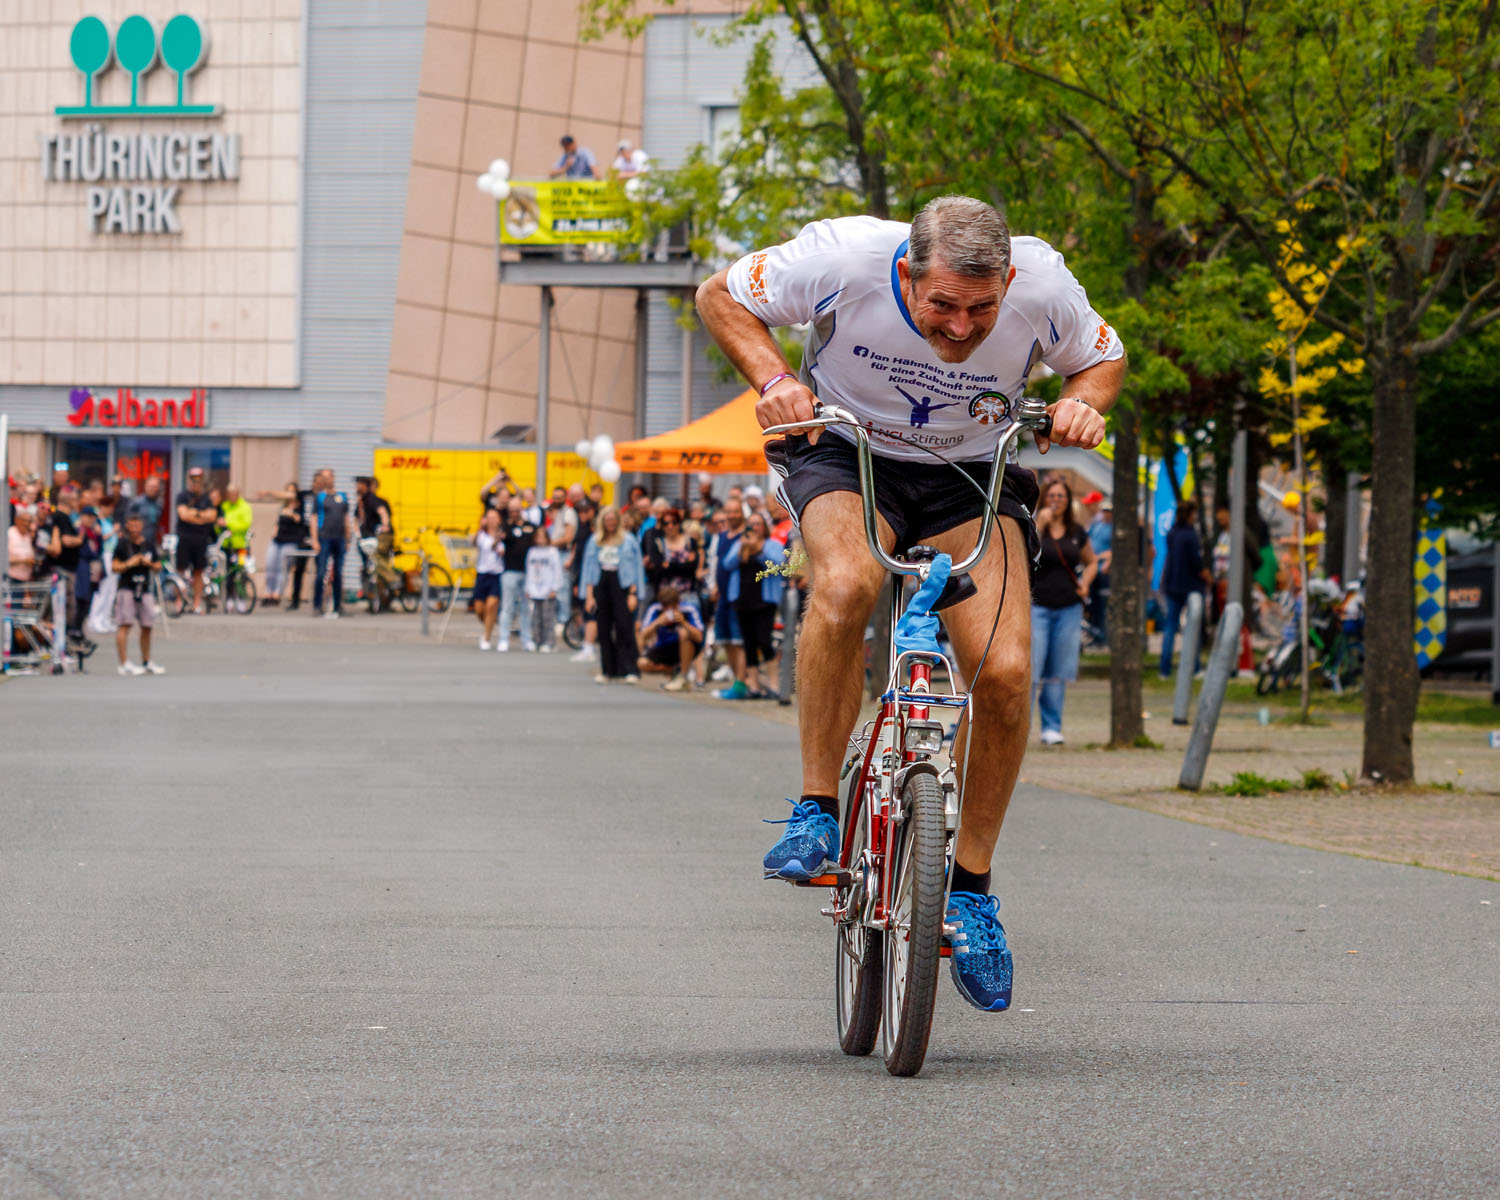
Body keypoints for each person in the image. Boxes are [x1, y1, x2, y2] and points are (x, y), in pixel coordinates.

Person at [697, 193, 1123, 1011]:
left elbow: (1104, 358)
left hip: (971, 474)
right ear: (905, 275)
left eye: (981, 309)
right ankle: (817, 809)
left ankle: (970, 892)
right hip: (846, 452)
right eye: (943, 305)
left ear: (1009, 282)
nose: (962, 328)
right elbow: (720, 294)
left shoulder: (1044, 282)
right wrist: (776, 379)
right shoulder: (844, 258)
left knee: (1006, 672)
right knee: (847, 585)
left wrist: (1084, 402)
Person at [1032, 477, 1097, 744]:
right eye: (1052, 496)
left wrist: (1086, 583)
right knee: (1033, 669)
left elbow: (1091, 562)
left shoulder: (1076, 531)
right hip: (1037, 606)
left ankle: (1051, 727)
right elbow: (1026, 554)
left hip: (1069, 608)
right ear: (1044, 499)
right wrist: (1039, 525)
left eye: (1061, 496)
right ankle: (1021, 727)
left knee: (1058, 671)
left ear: (1068, 502)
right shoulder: (1035, 528)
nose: (1056, 501)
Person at [726, 511, 786, 700]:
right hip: (743, 599)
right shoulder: (740, 543)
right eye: (751, 524)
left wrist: (758, 550)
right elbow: (727, 564)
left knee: (764, 641)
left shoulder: (772, 545)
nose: (754, 528)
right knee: (749, 643)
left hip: (764, 601)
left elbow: (779, 564)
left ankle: (774, 685)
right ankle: (753, 685)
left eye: (758, 524)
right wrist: (742, 549)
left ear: (764, 527)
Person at [579, 505, 642, 683]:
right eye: (607, 520)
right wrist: (589, 596)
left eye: (613, 520)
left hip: (621, 584)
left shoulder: (628, 540)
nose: (610, 523)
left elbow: (635, 568)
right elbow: (589, 569)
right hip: (602, 583)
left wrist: (633, 593)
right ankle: (608, 669)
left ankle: (630, 668)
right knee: (604, 628)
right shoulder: (595, 541)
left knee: (624, 626)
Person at [1159, 499, 1210, 678]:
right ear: (1190, 515)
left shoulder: (1172, 533)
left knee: (1170, 627)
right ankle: (1194, 666)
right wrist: (1206, 576)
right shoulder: (1190, 535)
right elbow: (1196, 562)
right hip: (1191, 586)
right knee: (1192, 627)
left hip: (1172, 584)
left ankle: (1164, 669)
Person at [111, 511, 165, 676]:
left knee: (147, 625)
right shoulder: (122, 544)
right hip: (127, 587)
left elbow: (158, 566)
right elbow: (114, 567)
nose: (134, 528)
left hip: (145, 588)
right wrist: (130, 563)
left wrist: (149, 564)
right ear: (127, 526)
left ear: (142, 526)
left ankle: (146, 661)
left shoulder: (148, 545)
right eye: (132, 524)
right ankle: (124, 663)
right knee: (125, 624)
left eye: (137, 524)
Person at [708, 500, 749, 697]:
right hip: (722, 595)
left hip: (738, 596)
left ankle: (741, 684)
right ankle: (735, 682)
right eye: (729, 511)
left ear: (741, 513)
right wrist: (714, 585)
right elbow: (717, 563)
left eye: (736, 511)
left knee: (738, 641)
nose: (732, 515)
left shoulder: (746, 536)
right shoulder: (722, 536)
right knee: (726, 641)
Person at [636, 583, 704, 689]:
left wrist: (683, 622)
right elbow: (642, 635)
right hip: (664, 647)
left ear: (678, 603)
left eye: (672, 607)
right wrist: (658, 622)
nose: (669, 610)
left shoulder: (688, 609)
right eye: (665, 607)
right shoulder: (655, 609)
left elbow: (699, 637)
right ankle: (672, 672)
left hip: (687, 648)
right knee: (642, 663)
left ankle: (683, 677)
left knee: (684, 633)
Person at [309, 471, 355, 618]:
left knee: (338, 573)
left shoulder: (342, 497)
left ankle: (337, 606)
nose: (327, 480)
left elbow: (346, 518)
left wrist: (348, 538)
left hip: (339, 539)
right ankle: (317, 605)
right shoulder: (320, 497)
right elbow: (313, 519)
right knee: (321, 572)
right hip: (324, 538)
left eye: (329, 477)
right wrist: (314, 540)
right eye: (324, 478)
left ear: (333, 478)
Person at [260, 481, 310, 607]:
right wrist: (274, 531)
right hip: (277, 540)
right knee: (271, 565)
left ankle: (277, 594)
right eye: (287, 490)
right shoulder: (283, 507)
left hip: (290, 541)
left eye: (291, 491)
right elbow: (278, 522)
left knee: (282, 568)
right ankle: (268, 593)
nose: (288, 494)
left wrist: (268, 493)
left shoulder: (300, 505)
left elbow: (299, 520)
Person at [495, 497, 536, 651]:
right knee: (507, 607)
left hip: (527, 572)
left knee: (525, 608)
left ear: (521, 510)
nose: (514, 513)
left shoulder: (530, 526)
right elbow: (496, 544)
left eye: (517, 510)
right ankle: (503, 639)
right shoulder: (505, 526)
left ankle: (527, 639)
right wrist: (498, 539)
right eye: (511, 511)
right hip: (510, 571)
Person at [173, 468, 217, 613]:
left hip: (201, 540)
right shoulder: (182, 496)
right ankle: (179, 601)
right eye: (193, 479)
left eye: (198, 480)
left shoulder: (206, 498)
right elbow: (183, 515)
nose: (196, 483)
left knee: (199, 572)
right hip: (185, 538)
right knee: (181, 570)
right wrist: (202, 516)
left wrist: (194, 514)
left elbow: (212, 516)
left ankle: (196, 603)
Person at [524, 524, 565, 653]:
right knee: (535, 617)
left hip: (548, 589)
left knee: (548, 617)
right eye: (538, 537)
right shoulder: (532, 551)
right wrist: (528, 588)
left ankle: (549, 642)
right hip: (534, 589)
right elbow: (529, 570)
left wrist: (555, 588)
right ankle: (536, 640)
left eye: (543, 536)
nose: (540, 539)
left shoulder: (552, 552)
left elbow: (557, 570)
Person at [472, 507, 504, 651]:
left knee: (491, 605)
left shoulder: (503, 535)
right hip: (482, 574)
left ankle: (486, 637)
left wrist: (499, 538)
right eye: (489, 518)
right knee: (479, 609)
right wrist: (480, 527)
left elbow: (501, 550)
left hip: (496, 575)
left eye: (494, 518)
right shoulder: (482, 535)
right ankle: (489, 625)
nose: (491, 521)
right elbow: (476, 543)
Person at [1085, 496, 1113, 639]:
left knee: (1102, 604)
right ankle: (1095, 633)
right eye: (1104, 511)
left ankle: (1102, 635)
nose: (1106, 513)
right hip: (1093, 568)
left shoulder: (1113, 528)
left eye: (1109, 511)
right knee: (1093, 603)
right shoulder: (1097, 526)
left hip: (1103, 570)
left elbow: (1113, 550)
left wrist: (1105, 560)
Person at [218, 484, 253, 564]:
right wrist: (218, 525)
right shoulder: (224, 506)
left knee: (241, 566)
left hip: (241, 546)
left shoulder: (244, 506)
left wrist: (228, 524)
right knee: (226, 568)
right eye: (230, 494)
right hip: (226, 544)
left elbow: (246, 525)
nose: (232, 496)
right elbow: (219, 523)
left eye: (234, 494)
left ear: (238, 494)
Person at [125, 474, 164, 541]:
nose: (152, 489)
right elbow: (127, 521)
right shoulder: (136, 502)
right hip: (137, 541)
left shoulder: (159, 503)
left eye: (155, 487)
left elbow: (157, 522)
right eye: (150, 486)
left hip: (152, 540)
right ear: (145, 486)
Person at [7, 505, 37, 581]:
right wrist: (23, 561)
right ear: (16, 520)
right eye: (24, 520)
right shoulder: (9, 534)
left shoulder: (28, 536)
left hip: (24, 580)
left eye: (29, 521)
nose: (26, 524)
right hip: (10, 579)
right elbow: (3, 559)